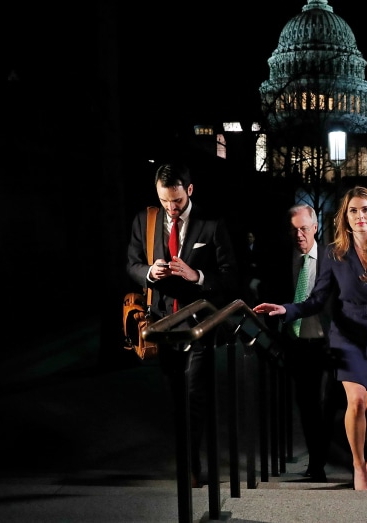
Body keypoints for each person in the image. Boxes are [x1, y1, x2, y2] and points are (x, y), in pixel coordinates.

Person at [253, 186, 367, 491]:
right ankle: (358, 465)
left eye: (365, 210)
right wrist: (287, 309)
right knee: (354, 403)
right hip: (346, 335)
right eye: (353, 211)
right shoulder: (334, 252)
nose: (359, 217)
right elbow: (316, 300)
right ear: (345, 217)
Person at [126, 161, 240, 488]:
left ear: (188, 191)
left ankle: (192, 467)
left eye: (176, 201)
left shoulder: (211, 225)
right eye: (164, 202)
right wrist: (149, 272)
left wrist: (198, 276)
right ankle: (187, 460)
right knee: (176, 398)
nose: (171, 208)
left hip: (199, 326)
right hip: (162, 325)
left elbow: (232, 278)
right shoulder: (145, 221)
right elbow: (131, 264)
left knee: (195, 397)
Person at [262, 203, 341, 482]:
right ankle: (316, 462)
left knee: (328, 403)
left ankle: (326, 456)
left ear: (315, 227)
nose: (299, 235)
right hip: (296, 342)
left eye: (304, 229)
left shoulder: (333, 257)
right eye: (294, 230)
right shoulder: (282, 259)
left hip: (327, 341)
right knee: (307, 404)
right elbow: (272, 296)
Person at [240, 231, 264, 306]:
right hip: (248, 273)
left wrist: (256, 265)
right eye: (248, 237)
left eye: (250, 237)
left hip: (257, 274)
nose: (249, 239)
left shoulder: (258, 248)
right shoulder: (244, 249)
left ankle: (258, 300)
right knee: (247, 289)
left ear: (254, 238)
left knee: (252, 287)